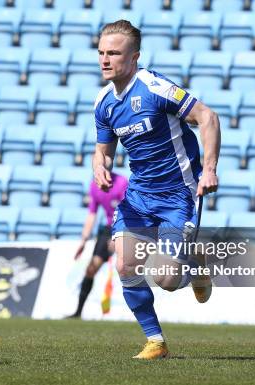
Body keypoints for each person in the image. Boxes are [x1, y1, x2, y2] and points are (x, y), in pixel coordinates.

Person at [92, 20, 220, 359]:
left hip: (179, 194)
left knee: (165, 279)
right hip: (139, 196)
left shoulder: (154, 88)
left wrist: (209, 170)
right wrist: (99, 167)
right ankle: (156, 341)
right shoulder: (104, 103)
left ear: (134, 57)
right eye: (102, 52)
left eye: (114, 53)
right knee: (124, 265)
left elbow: (207, 117)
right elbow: (103, 150)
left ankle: (196, 261)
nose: (106, 59)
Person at [68, 172, 128, 319]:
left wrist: (117, 236)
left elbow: (126, 212)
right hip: (108, 229)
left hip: (127, 228)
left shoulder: (121, 182)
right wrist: (83, 241)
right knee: (91, 269)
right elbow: (92, 214)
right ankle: (78, 312)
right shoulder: (95, 186)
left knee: (130, 272)